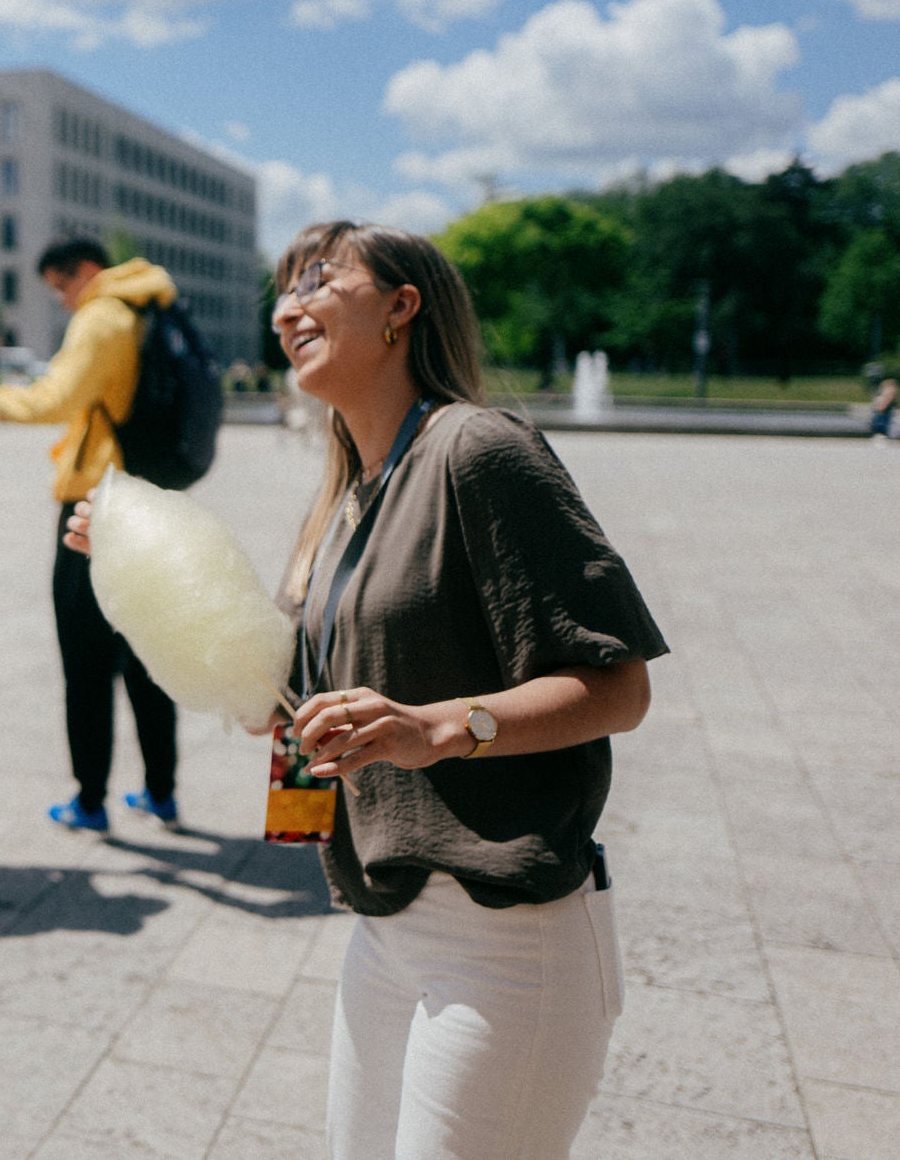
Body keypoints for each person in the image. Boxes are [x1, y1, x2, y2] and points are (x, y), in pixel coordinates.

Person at [256, 221, 663, 1157]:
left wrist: (439, 726)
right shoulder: (344, 495)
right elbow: (271, 708)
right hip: (384, 923)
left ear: (403, 306)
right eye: (283, 290)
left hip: (508, 940)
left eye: (319, 278)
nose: (288, 309)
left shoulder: (478, 449)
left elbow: (618, 685)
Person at [0, 237, 183, 832]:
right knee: (147, 656)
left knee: (87, 661)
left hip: (94, 503)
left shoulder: (102, 316)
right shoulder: (147, 310)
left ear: (85, 273)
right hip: (148, 497)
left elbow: (57, 398)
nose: (64, 302)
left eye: (61, 287)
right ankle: (161, 792)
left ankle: (90, 802)